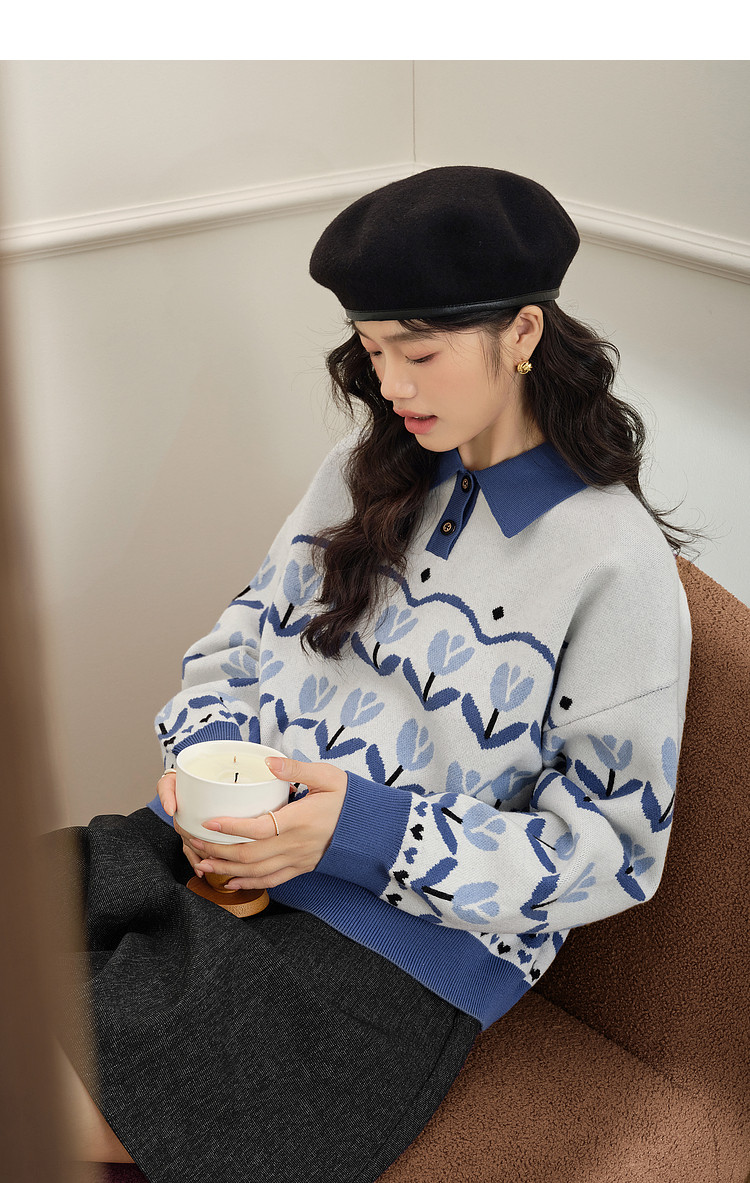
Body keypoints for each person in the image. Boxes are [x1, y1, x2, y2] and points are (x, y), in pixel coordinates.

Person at [56, 166, 692, 1183]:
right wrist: (209, 767)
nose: (391, 385)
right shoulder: (364, 470)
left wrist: (359, 829)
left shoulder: (616, 564)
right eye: (374, 350)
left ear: (524, 333)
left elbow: (612, 851)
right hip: (217, 861)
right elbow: (235, 647)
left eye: (420, 352)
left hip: (383, 957)